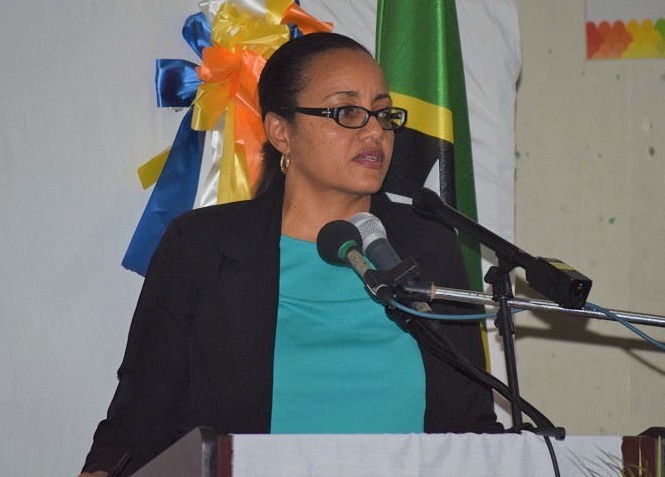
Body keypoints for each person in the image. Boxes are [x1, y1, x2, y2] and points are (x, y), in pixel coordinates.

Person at [80, 32, 501, 476]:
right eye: (347, 112)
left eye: (383, 112)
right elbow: (140, 420)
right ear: (282, 132)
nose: (376, 130)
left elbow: (470, 426)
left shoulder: (428, 246)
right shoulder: (201, 247)